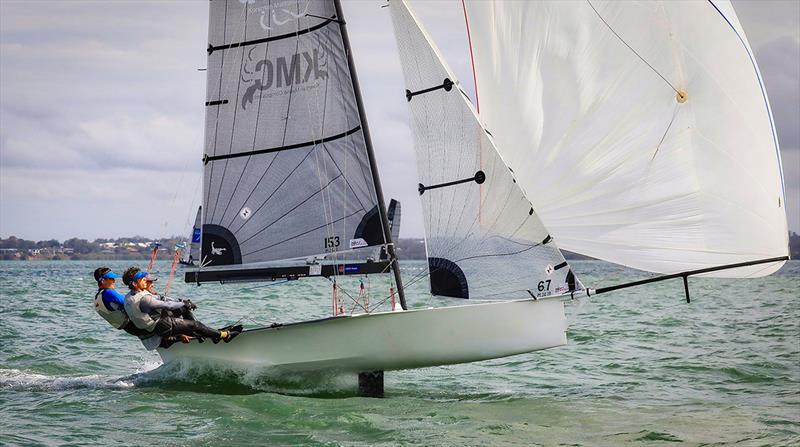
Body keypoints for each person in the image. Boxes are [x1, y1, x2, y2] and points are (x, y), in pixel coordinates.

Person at [122, 266, 240, 350]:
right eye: (143, 280)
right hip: (162, 326)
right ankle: (224, 335)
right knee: (196, 325)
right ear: (134, 283)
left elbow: (163, 298)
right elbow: (167, 305)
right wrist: (184, 304)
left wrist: (182, 302)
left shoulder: (129, 297)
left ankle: (206, 335)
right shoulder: (144, 299)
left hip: (156, 326)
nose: (145, 281)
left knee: (186, 312)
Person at [93, 267, 151, 337]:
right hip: (135, 324)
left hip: (129, 328)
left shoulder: (98, 296)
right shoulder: (109, 293)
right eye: (111, 279)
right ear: (103, 281)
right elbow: (129, 303)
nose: (114, 281)